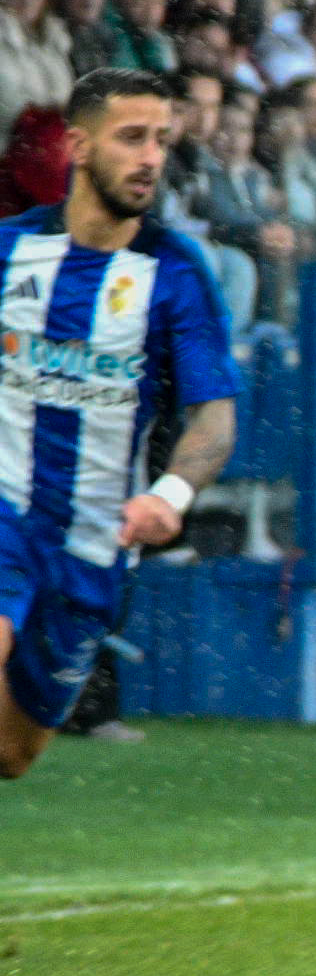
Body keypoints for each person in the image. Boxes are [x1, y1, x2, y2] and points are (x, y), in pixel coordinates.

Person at [0, 69, 240, 780]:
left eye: (162, 140)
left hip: (93, 546)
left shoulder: (174, 274)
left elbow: (214, 418)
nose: (150, 158)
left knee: (13, 755)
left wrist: (169, 497)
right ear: (78, 145)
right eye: (131, 138)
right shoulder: (7, 252)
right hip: (4, 512)